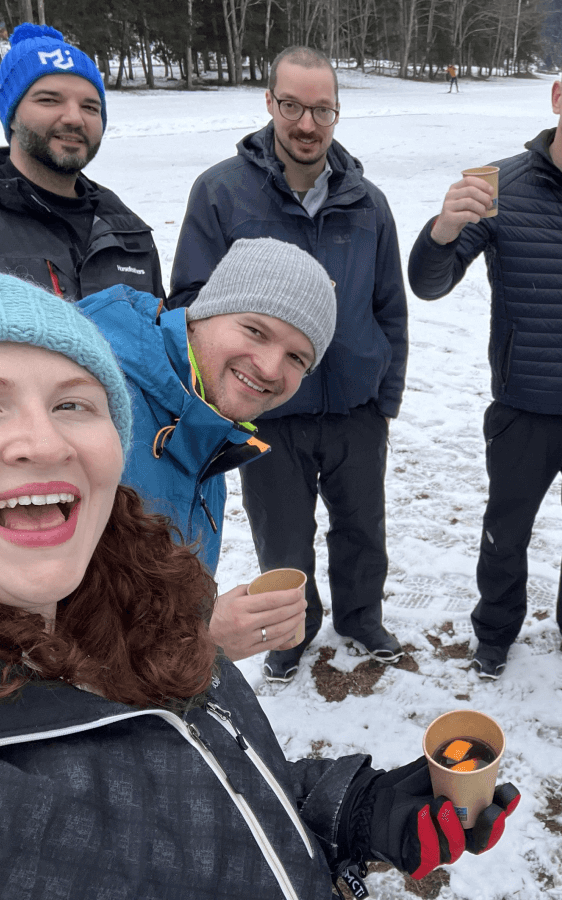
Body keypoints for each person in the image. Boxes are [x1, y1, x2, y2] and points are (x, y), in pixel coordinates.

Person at [0, 267, 518, 899]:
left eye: (72, 403)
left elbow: (193, 788)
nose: (44, 443)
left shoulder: (138, 600)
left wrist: (349, 812)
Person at [407, 31, 562, 679]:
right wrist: (443, 230)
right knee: (506, 532)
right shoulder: (497, 185)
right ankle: (494, 632)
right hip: (522, 407)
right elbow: (429, 282)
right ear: (556, 94)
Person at [171, 45, 409, 683]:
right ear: (270, 103)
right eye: (293, 106)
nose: (307, 124)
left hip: (356, 409)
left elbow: (391, 307)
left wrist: (385, 399)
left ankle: (361, 617)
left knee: (363, 529)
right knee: (284, 539)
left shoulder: (368, 203)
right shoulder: (221, 193)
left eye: (322, 109)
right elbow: (192, 304)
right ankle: (289, 633)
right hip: (266, 412)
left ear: (337, 112)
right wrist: (222, 406)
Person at [80, 236, 336, 663]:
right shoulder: (96, 406)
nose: (271, 368)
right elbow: (27, 629)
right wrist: (199, 641)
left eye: (297, 358)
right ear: (204, 313)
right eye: (255, 330)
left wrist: (198, 624)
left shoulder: (202, 416)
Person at [0, 23, 162, 300]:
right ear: (12, 116)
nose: (75, 119)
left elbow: (160, 338)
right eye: (49, 100)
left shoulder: (128, 231)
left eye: (90, 107)